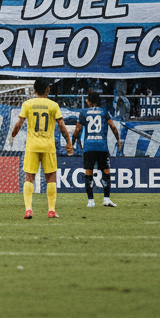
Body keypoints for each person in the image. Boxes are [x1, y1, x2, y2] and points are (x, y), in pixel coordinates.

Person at [9, 77, 74, 219]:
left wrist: (13, 135)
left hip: (32, 146)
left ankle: (28, 209)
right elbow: (62, 125)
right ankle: (51, 210)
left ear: (34, 90)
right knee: (51, 178)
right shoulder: (53, 105)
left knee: (29, 177)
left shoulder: (28, 104)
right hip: (48, 146)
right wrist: (68, 142)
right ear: (47, 90)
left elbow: (19, 123)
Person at [72, 90, 121, 208]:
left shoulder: (83, 112)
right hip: (102, 146)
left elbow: (78, 130)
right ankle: (106, 199)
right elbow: (113, 127)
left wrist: (72, 141)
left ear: (88, 101)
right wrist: (118, 140)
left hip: (89, 146)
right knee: (106, 171)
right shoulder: (104, 112)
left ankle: (91, 201)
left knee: (88, 171)